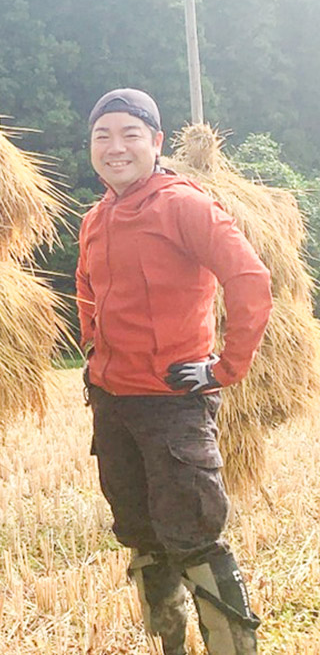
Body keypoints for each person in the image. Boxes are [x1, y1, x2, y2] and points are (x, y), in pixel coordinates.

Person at [76, 89, 272, 655]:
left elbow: (250, 280)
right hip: (114, 403)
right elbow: (87, 288)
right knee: (142, 537)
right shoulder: (97, 217)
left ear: (156, 142)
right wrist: (93, 352)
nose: (115, 147)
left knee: (192, 537)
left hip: (172, 402)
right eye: (102, 136)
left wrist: (226, 367)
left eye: (130, 134)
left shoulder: (183, 205)